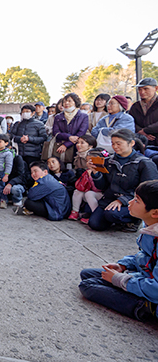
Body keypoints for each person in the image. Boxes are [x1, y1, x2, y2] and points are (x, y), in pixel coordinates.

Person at [79, 180, 158, 322]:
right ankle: (129, 289)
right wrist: (123, 265)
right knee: (87, 274)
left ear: (155, 213)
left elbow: (156, 289)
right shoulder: (150, 227)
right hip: (146, 276)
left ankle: (144, 308)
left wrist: (119, 279)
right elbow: (145, 256)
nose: (130, 202)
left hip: (154, 295)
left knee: (87, 286)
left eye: (137, 200)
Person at [87, 128, 158, 232]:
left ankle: (134, 220)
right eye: (113, 143)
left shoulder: (144, 163)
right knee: (95, 224)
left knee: (111, 214)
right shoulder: (109, 161)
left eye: (119, 143)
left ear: (132, 143)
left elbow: (148, 191)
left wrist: (122, 200)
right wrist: (95, 173)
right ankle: (118, 220)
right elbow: (101, 186)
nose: (115, 147)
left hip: (134, 201)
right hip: (110, 199)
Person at [68, 149, 105, 221]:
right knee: (78, 191)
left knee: (89, 194)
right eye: (87, 161)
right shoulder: (87, 171)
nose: (89, 163)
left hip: (101, 194)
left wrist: (93, 175)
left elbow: (98, 188)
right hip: (90, 192)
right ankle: (75, 211)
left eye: (91, 160)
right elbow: (81, 185)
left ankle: (95, 215)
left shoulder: (103, 171)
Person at [53, 93, 89, 162]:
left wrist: (66, 145)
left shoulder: (83, 116)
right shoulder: (58, 117)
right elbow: (55, 132)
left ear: (75, 102)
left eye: (69, 101)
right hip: (60, 147)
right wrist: (68, 137)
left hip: (77, 147)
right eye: (64, 101)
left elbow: (81, 133)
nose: (66, 103)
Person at [129, 77, 158, 147]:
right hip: (140, 143)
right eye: (139, 89)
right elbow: (130, 121)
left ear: (156, 88)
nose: (142, 92)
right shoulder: (135, 106)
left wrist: (145, 130)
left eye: (146, 89)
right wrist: (141, 132)